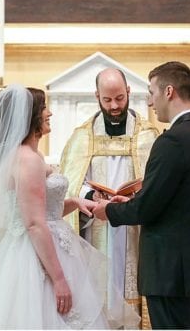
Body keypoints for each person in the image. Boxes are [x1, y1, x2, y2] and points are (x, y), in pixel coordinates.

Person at [0, 85, 115, 329]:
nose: (49, 113)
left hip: (46, 244)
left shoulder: (28, 155)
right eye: (44, 108)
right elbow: (35, 223)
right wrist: (58, 279)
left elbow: (43, 212)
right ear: (29, 116)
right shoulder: (27, 159)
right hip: (35, 256)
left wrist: (76, 202)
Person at [94, 61, 190, 329]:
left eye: (152, 94)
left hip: (168, 271)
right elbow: (175, 200)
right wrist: (133, 201)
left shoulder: (172, 141)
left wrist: (107, 210)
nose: (151, 104)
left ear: (169, 92)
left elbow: (148, 208)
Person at [60, 68, 157, 327]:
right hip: (98, 227)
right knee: (100, 292)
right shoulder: (83, 136)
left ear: (128, 92)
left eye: (119, 98)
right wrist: (90, 195)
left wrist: (137, 194)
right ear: (97, 97)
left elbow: (159, 184)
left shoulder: (148, 136)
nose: (114, 106)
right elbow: (69, 184)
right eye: (107, 100)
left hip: (134, 229)